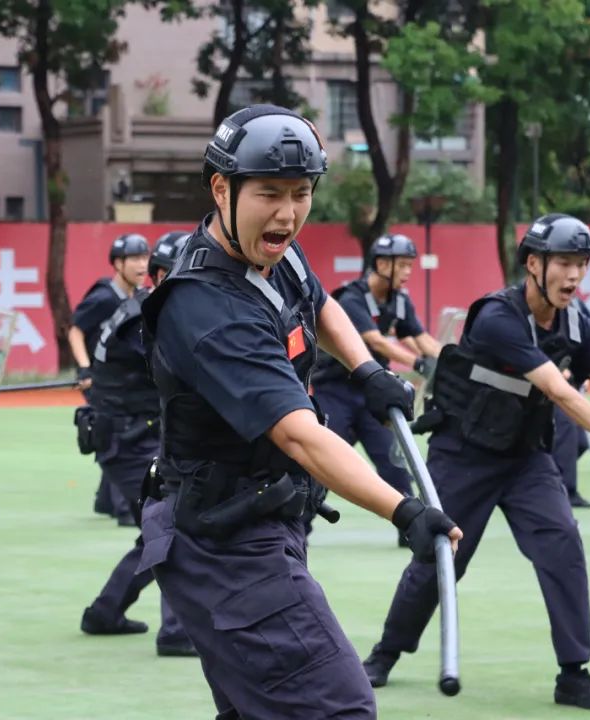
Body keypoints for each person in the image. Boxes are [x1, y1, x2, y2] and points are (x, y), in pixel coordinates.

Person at [138, 104, 460, 719]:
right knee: (338, 709)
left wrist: (365, 369)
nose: (288, 213)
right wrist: (405, 510)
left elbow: (318, 299)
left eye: (301, 193)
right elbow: (301, 436)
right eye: (270, 194)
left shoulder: (272, 253)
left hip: (262, 519)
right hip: (224, 545)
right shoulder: (208, 310)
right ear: (221, 189)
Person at [362, 214, 590, 712]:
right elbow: (558, 390)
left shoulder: (577, 320)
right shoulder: (499, 317)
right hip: (464, 454)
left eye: (582, 265)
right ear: (534, 263)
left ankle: (573, 673)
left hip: (525, 458)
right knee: (439, 560)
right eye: (564, 263)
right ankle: (385, 654)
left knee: (563, 546)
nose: (574, 276)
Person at [80, 231, 196, 657]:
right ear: (164, 275)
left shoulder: (144, 309)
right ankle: (176, 633)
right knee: (173, 529)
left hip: (129, 437)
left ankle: (105, 612)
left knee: (157, 534)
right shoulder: (148, 319)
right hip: (129, 441)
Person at [311, 233, 441, 544]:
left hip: (371, 397)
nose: (409, 272)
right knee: (320, 464)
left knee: (393, 463)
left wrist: (450, 362)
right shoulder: (351, 298)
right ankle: (296, 529)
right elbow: (375, 341)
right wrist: (419, 363)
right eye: (403, 265)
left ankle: (411, 531)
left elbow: (421, 338)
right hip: (336, 392)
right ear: (382, 264)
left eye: (411, 266)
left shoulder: (399, 299)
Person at [69, 233, 150, 524]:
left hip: (121, 380)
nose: (142, 265)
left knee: (117, 434)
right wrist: (83, 368)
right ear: (118, 263)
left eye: (145, 258)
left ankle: (105, 500)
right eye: (135, 259)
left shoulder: (139, 297)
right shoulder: (103, 298)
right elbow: (76, 330)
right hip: (101, 380)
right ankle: (123, 506)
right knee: (116, 434)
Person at [552, 300, 590, 509]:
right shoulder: (541, 307)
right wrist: (555, 368)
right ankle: (566, 492)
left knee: (580, 442)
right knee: (567, 432)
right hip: (549, 384)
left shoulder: (576, 304)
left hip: (571, 382)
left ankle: (550, 479)